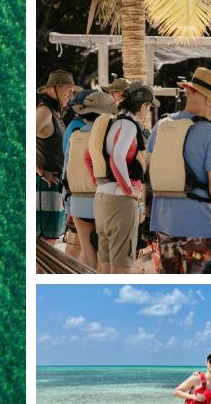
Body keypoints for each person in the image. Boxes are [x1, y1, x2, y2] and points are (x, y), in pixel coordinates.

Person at [148, 68, 211, 273]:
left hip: (163, 221)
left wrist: (146, 219)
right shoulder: (210, 133)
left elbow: (147, 177)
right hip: (196, 225)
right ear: (208, 99)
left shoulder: (161, 126)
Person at [97, 84, 155, 273]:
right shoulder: (129, 125)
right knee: (122, 266)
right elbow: (117, 158)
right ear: (144, 105)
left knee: (105, 263)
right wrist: (129, 190)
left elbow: (92, 157)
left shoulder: (113, 122)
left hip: (103, 196)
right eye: (150, 107)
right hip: (120, 199)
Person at [63, 90, 117, 269]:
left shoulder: (74, 136)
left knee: (87, 255)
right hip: (103, 201)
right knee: (105, 257)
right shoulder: (106, 136)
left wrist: (68, 205)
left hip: (77, 201)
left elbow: (66, 173)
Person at [36, 70, 79, 247]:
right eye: (68, 90)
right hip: (45, 187)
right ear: (54, 89)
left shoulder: (54, 113)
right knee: (46, 245)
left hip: (52, 187)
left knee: (49, 244)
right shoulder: (45, 111)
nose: (71, 95)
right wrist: (40, 171)